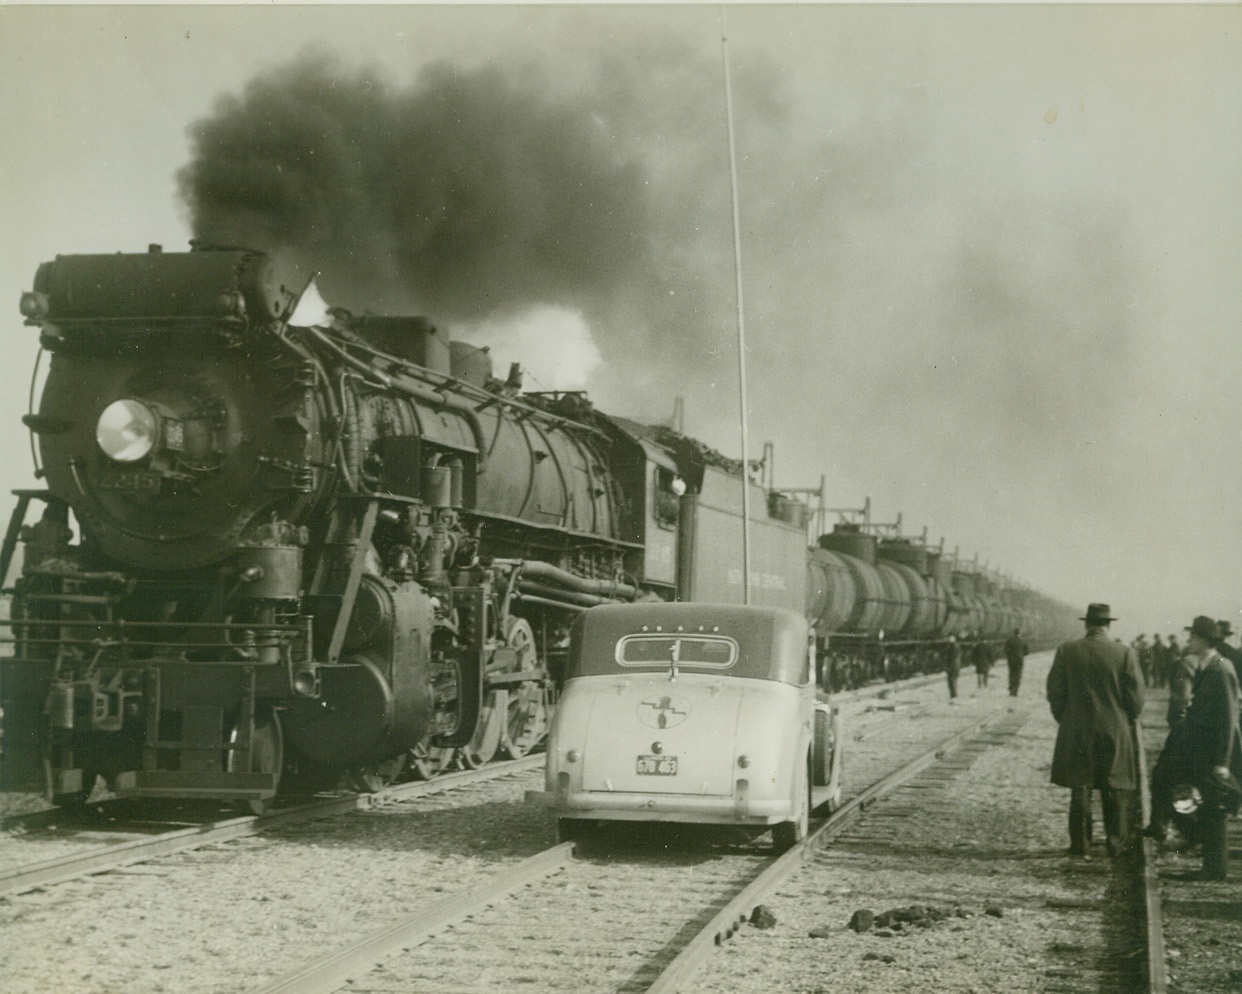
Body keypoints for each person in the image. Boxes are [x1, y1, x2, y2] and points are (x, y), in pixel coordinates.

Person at [1144, 616, 1242, 880]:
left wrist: (1223, 761)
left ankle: (1214, 870)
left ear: (1201, 639)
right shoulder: (1215, 665)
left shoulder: (1220, 668)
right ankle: (1210, 865)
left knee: (1214, 808)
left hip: (1212, 750)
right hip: (1203, 748)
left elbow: (1228, 718)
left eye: (1193, 637)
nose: (1189, 641)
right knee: (1205, 803)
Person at [1046, 603, 1145, 858]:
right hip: (1114, 728)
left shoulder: (1067, 650)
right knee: (1115, 787)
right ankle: (1115, 844)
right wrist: (1126, 720)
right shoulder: (1124, 653)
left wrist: (1066, 718)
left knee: (1080, 786)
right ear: (1108, 625)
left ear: (1087, 624)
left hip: (1077, 729)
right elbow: (1136, 697)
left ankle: (1080, 844)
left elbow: (1055, 692)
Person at [1004, 627, 1028, 697]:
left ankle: (1011, 689)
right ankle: (1015, 690)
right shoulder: (1023, 641)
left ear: (1014, 633)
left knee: (1011, 674)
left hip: (1011, 660)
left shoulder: (1009, 640)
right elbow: (1026, 652)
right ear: (1019, 633)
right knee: (1018, 675)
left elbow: (1005, 650)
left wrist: (1009, 656)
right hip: (1019, 661)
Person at [944, 635, 961, 700]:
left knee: (951, 680)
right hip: (956, 665)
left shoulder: (952, 647)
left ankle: (953, 695)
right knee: (954, 679)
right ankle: (954, 694)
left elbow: (951, 658)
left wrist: (948, 667)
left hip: (953, 666)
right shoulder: (956, 646)